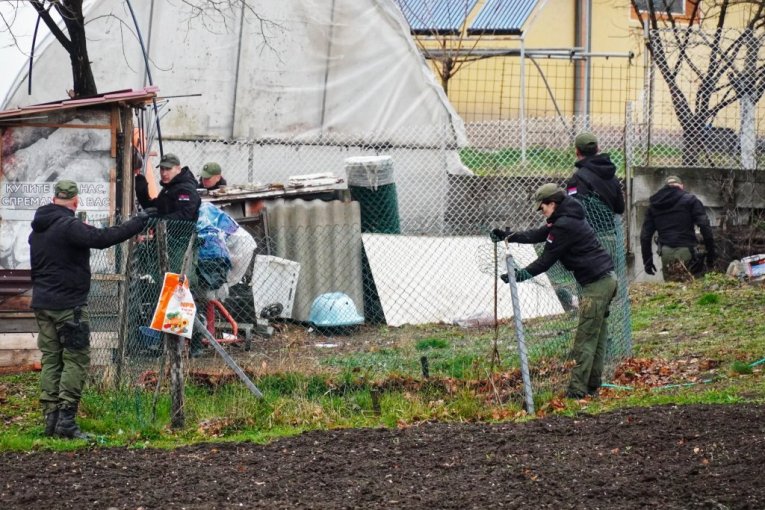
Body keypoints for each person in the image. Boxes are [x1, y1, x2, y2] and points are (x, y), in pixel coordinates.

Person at [29, 180, 149, 439]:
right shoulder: (69, 226)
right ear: (75, 201)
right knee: (76, 359)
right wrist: (137, 223)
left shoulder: (38, 229)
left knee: (51, 359)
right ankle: (67, 423)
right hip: (68, 306)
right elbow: (102, 239)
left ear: (54, 199)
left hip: (42, 304)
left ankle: (50, 422)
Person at [490, 183, 617, 399]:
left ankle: (577, 391)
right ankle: (593, 385)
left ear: (553, 204)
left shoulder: (564, 225)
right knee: (597, 335)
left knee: (585, 339)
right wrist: (508, 236)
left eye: (544, 208)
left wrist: (519, 275)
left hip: (597, 285)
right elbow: (538, 234)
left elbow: (546, 260)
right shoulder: (567, 218)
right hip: (606, 279)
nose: (543, 212)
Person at [640, 175, 716, 281]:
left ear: (665, 188)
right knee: (689, 291)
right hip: (687, 251)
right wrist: (711, 256)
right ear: (681, 186)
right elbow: (705, 227)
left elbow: (645, 236)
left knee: (671, 292)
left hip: (666, 252)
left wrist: (647, 262)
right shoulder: (691, 201)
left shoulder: (655, 205)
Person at [566, 132, 625, 227]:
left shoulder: (578, 178)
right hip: (610, 234)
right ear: (598, 149)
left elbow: (573, 210)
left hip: (587, 236)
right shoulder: (612, 175)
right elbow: (620, 208)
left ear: (577, 151)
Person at [134, 153, 201, 221]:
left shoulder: (185, 189)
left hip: (176, 230)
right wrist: (142, 191)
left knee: (138, 222)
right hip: (165, 228)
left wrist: (156, 220)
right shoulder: (170, 187)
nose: (164, 173)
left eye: (168, 169)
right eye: (162, 169)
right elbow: (155, 206)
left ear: (178, 169)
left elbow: (184, 216)